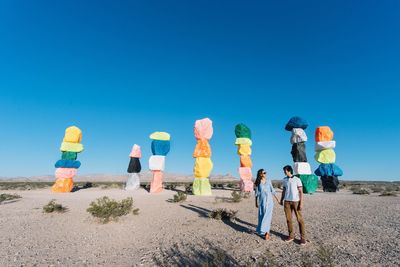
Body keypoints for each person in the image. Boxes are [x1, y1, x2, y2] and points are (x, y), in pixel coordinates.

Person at [280, 165, 307, 245]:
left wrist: (301, 203)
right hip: (287, 202)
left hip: (296, 202)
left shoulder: (297, 179)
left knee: (300, 219)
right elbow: (284, 191)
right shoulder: (284, 180)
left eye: (285, 170)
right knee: (288, 220)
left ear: (289, 170)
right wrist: (282, 200)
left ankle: (302, 238)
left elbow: (301, 192)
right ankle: (291, 236)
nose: (284, 172)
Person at [254, 169, 279, 240]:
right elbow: (256, 194)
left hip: (270, 202)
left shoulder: (268, 181)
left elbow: (273, 191)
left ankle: (266, 233)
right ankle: (261, 231)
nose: (265, 174)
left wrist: (278, 200)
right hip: (262, 202)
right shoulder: (258, 183)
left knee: (268, 218)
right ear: (260, 174)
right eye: (264, 173)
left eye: (265, 172)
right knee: (262, 217)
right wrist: (256, 203)